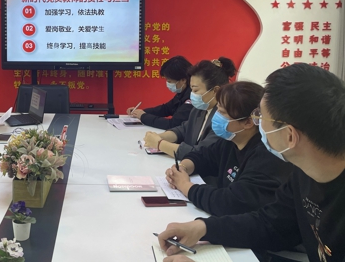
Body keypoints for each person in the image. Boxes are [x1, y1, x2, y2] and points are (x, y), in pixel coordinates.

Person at [157, 64, 345, 262]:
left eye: (260, 116)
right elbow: (271, 224)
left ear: (290, 135)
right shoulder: (304, 173)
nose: (257, 123)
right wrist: (203, 228)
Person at [164, 81, 292, 217]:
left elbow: (230, 202)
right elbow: (204, 156)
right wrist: (182, 168)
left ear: (248, 122)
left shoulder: (265, 157)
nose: (216, 116)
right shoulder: (231, 141)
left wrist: (184, 185)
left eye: (222, 112)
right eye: (217, 109)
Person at [144, 57, 236, 159]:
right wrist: (159, 137)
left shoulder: (223, 118)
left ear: (216, 91)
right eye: (191, 89)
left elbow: (200, 153)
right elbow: (183, 130)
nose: (192, 94)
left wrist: (160, 144)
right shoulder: (199, 109)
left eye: (196, 90)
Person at [126, 55, 193, 130]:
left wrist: (143, 116)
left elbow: (172, 124)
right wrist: (141, 112)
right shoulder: (183, 92)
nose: (167, 84)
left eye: (169, 81)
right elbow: (166, 109)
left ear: (183, 80)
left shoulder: (192, 97)